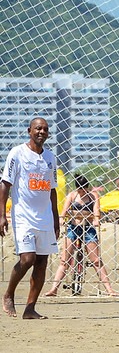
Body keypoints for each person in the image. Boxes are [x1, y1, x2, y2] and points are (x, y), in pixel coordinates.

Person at [0, 118, 59, 319]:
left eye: (45, 129)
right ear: (29, 131)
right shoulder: (17, 153)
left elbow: (52, 191)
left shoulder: (50, 157)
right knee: (28, 259)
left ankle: (30, 308)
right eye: (38, 128)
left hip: (45, 218)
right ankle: (8, 295)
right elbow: (5, 185)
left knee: (42, 262)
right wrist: (2, 215)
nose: (41, 132)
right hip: (23, 216)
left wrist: (56, 219)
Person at [44, 175, 117, 296]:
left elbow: (96, 211)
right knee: (65, 260)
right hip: (73, 227)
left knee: (96, 260)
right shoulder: (72, 195)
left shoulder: (93, 196)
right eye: (79, 189)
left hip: (88, 228)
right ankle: (54, 289)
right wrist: (62, 219)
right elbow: (65, 211)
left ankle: (109, 289)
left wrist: (96, 219)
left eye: (83, 189)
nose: (81, 191)